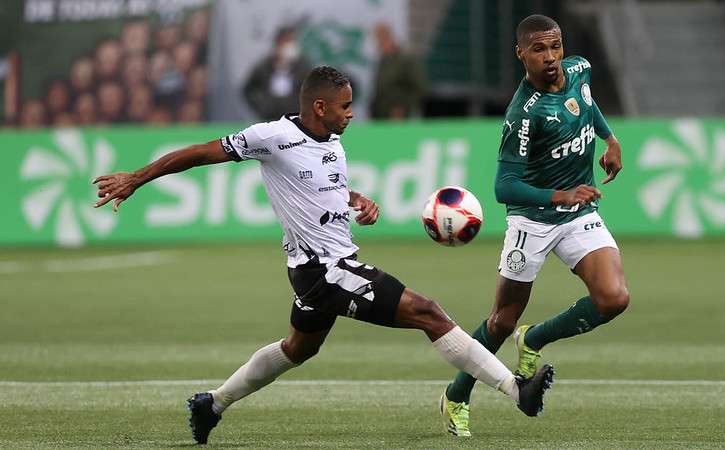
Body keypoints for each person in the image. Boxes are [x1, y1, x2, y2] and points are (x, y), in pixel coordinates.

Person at [91, 65, 554, 445]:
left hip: (321, 269)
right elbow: (198, 153)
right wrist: (136, 178)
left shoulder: (332, 142)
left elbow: (321, 189)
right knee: (428, 312)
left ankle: (211, 404)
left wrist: (356, 199)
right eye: (345, 106)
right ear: (319, 106)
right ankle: (518, 391)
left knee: (298, 348)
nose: (352, 113)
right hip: (325, 270)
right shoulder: (271, 136)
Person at [439, 14, 630, 437]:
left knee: (614, 298)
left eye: (555, 46)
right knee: (501, 321)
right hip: (533, 221)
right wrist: (559, 195)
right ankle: (456, 396)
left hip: (578, 214)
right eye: (539, 49)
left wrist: (610, 139)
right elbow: (504, 186)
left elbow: (588, 103)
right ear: (520, 54)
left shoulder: (580, 69)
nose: (550, 57)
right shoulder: (523, 115)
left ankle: (535, 339)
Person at [243, 27, 311, 121]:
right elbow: (249, 89)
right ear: (278, 43)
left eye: (292, 41)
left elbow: (312, 89)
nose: (290, 45)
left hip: (294, 117)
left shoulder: (303, 67)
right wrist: (261, 105)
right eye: (287, 41)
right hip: (269, 117)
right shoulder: (265, 65)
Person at [369, 23, 426, 120]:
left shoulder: (405, 60)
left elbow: (419, 86)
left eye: (381, 38)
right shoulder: (383, 61)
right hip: (381, 114)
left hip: (399, 115)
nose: (378, 42)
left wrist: (404, 107)